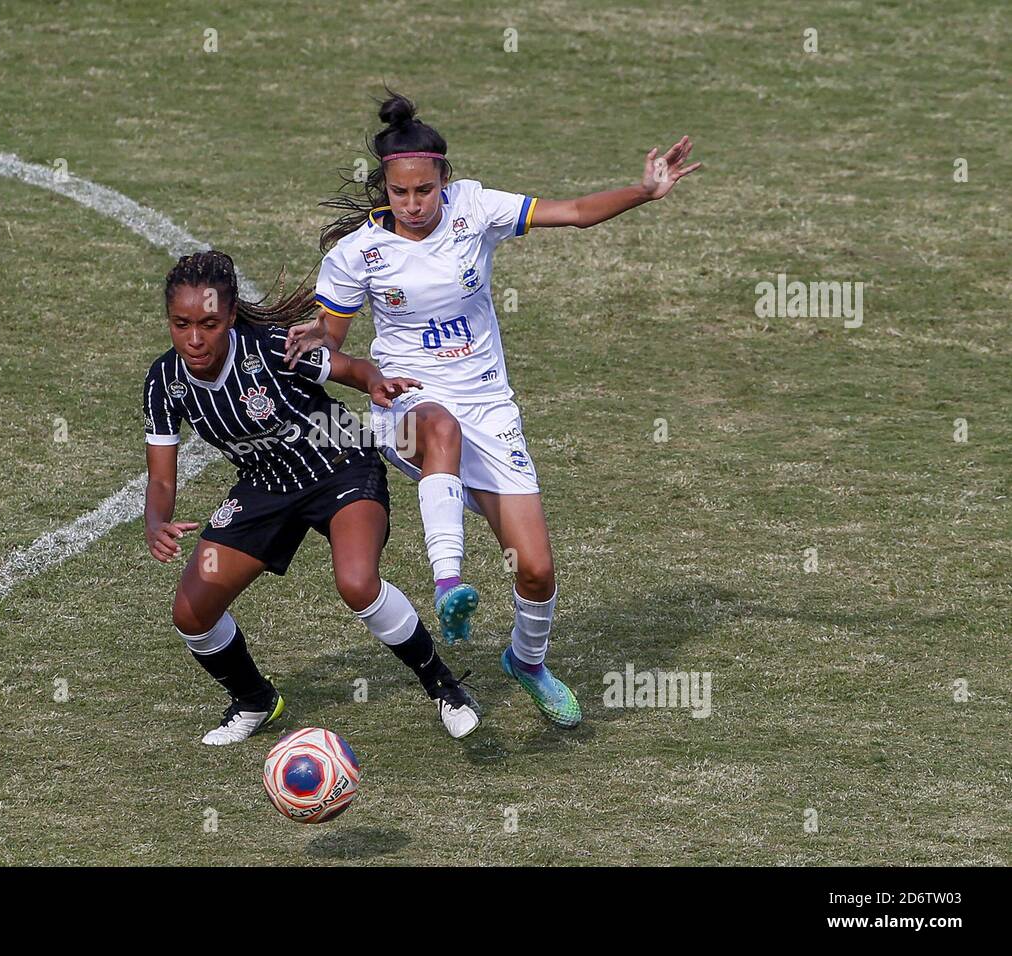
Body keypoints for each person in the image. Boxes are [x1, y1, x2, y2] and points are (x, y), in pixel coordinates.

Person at [285, 91, 701, 728]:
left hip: (490, 408)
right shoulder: (355, 256)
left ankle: (527, 662)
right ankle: (449, 583)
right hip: (409, 407)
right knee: (441, 429)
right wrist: (325, 349)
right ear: (385, 189)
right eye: (400, 194)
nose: (414, 204)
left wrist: (644, 191)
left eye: (424, 190)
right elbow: (335, 347)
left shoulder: (476, 209)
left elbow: (575, 213)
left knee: (535, 570)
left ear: (443, 181)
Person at [144, 250, 482, 744]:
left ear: (231, 317)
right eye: (181, 324)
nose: (194, 339)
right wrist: (156, 520)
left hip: (340, 461)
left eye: (209, 323)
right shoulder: (164, 382)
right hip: (264, 485)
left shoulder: (273, 347)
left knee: (357, 582)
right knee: (192, 612)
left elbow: (353, 369)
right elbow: (161, 480)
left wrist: (376, 383)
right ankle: (256, 701)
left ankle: (445, 688)